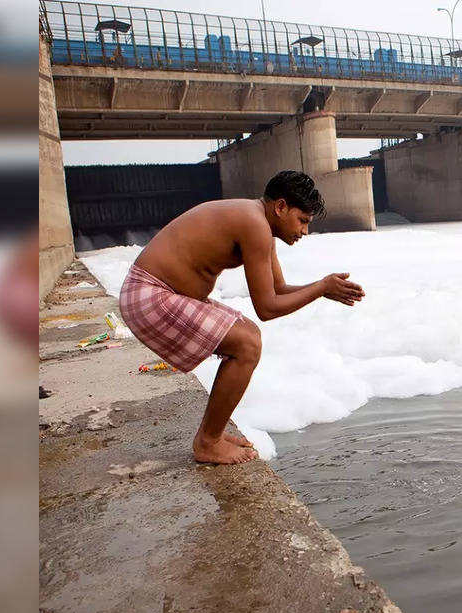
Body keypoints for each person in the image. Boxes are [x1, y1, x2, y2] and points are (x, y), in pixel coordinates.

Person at [119, 171, 365, 464]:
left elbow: (278, 289)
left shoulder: (259, 222)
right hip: (148, 295)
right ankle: (208, 442)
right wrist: (320, 287)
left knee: (247, 335)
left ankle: (213, 434)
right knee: (246, 344)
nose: (304, 231)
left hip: (159, 293)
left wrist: (322, 289)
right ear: (281, 207)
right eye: (302, 221)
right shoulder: (255, 224)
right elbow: (268, 308)